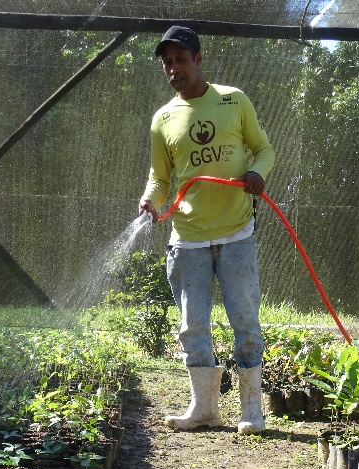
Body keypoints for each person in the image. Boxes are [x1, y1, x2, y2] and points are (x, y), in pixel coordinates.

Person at [139, 25, 275, 434]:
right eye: (168, 63)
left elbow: (264, 149)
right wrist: (150, 199)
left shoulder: (234, 101)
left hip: (236, 234)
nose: (174, 69)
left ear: (199, 60)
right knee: (192, 326)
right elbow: (160, 177)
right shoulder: (163, 119)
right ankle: (204, 409)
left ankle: (252, 409)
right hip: (188, 239)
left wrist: (256, 172)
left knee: (245, 322)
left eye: (181, 60)